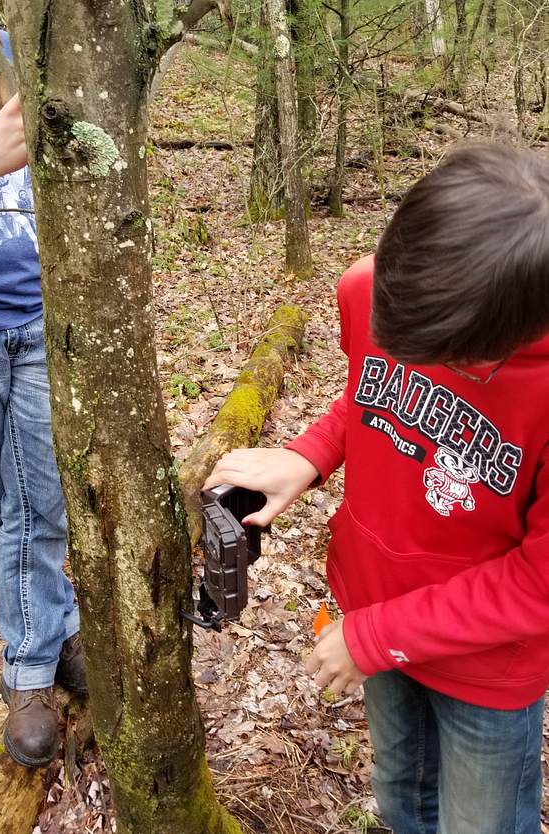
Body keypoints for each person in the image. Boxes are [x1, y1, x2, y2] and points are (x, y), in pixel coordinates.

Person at [204, 143, 549, 834]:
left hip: (487, 667)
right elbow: (370, 392)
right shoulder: (377, 287)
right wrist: (309, 455)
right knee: (400, 800)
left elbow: (540, 583)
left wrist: (373, 638)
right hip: (374, 599)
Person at [0, 29, 87, 769]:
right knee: (6, 506)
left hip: (34, 320)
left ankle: (32, 663)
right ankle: (41, 631)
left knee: (39, 500)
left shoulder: (15, 53)